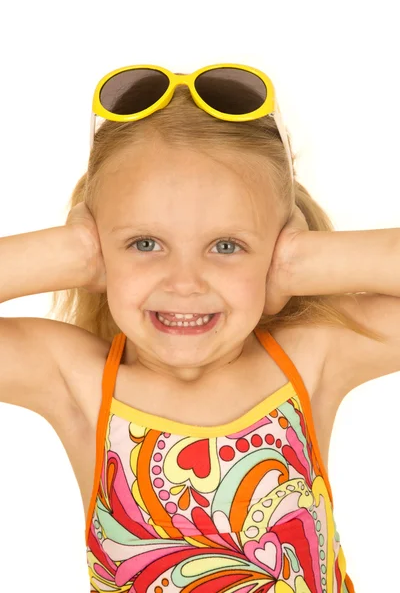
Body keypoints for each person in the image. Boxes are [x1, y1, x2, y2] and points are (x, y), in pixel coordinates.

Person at [1, 63, 399, 593]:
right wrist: (69, 251)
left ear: (278, 246)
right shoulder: (77, 382)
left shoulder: (308, 362)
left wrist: (302, 263)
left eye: (226, 246)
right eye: (145, 243)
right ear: (97, 246)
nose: (184, 282)